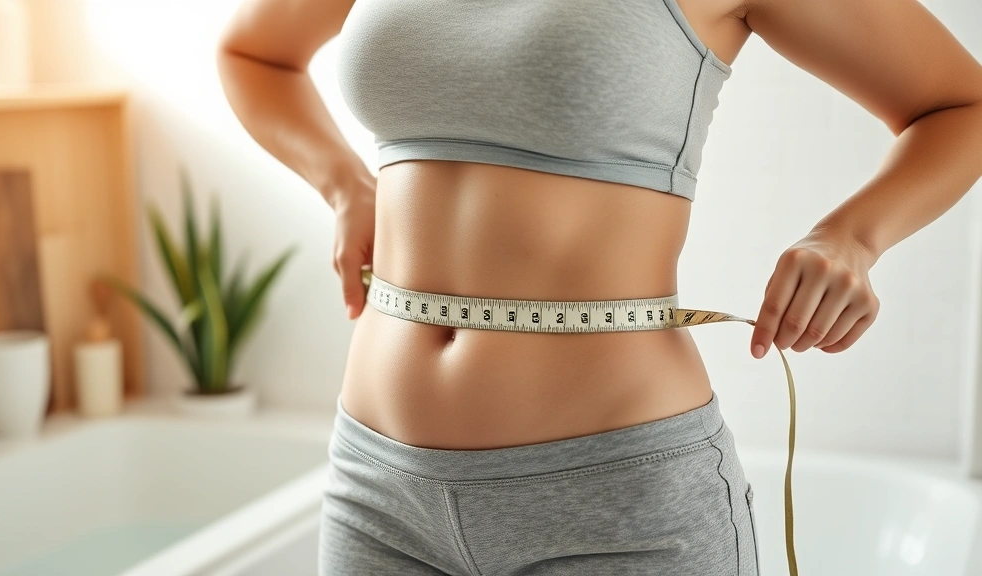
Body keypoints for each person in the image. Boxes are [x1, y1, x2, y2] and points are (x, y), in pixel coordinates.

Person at [216, 0, 982, 574]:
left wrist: (850, 236)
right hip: (378, 491)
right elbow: (253, 54)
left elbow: (960, 103)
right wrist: (344, 185)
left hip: (620, 502)